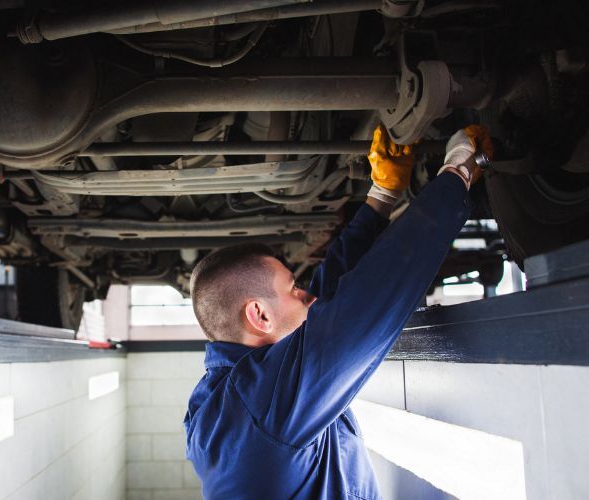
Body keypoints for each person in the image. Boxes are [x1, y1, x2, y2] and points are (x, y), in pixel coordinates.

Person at [184, 124, 494, 499]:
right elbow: (363, 304)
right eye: (293, 289)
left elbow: (324, 304)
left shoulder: (232, 398)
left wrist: (382, 197)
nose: (306, 295)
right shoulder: (258, 407)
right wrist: (457, 172)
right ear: (259, 316)